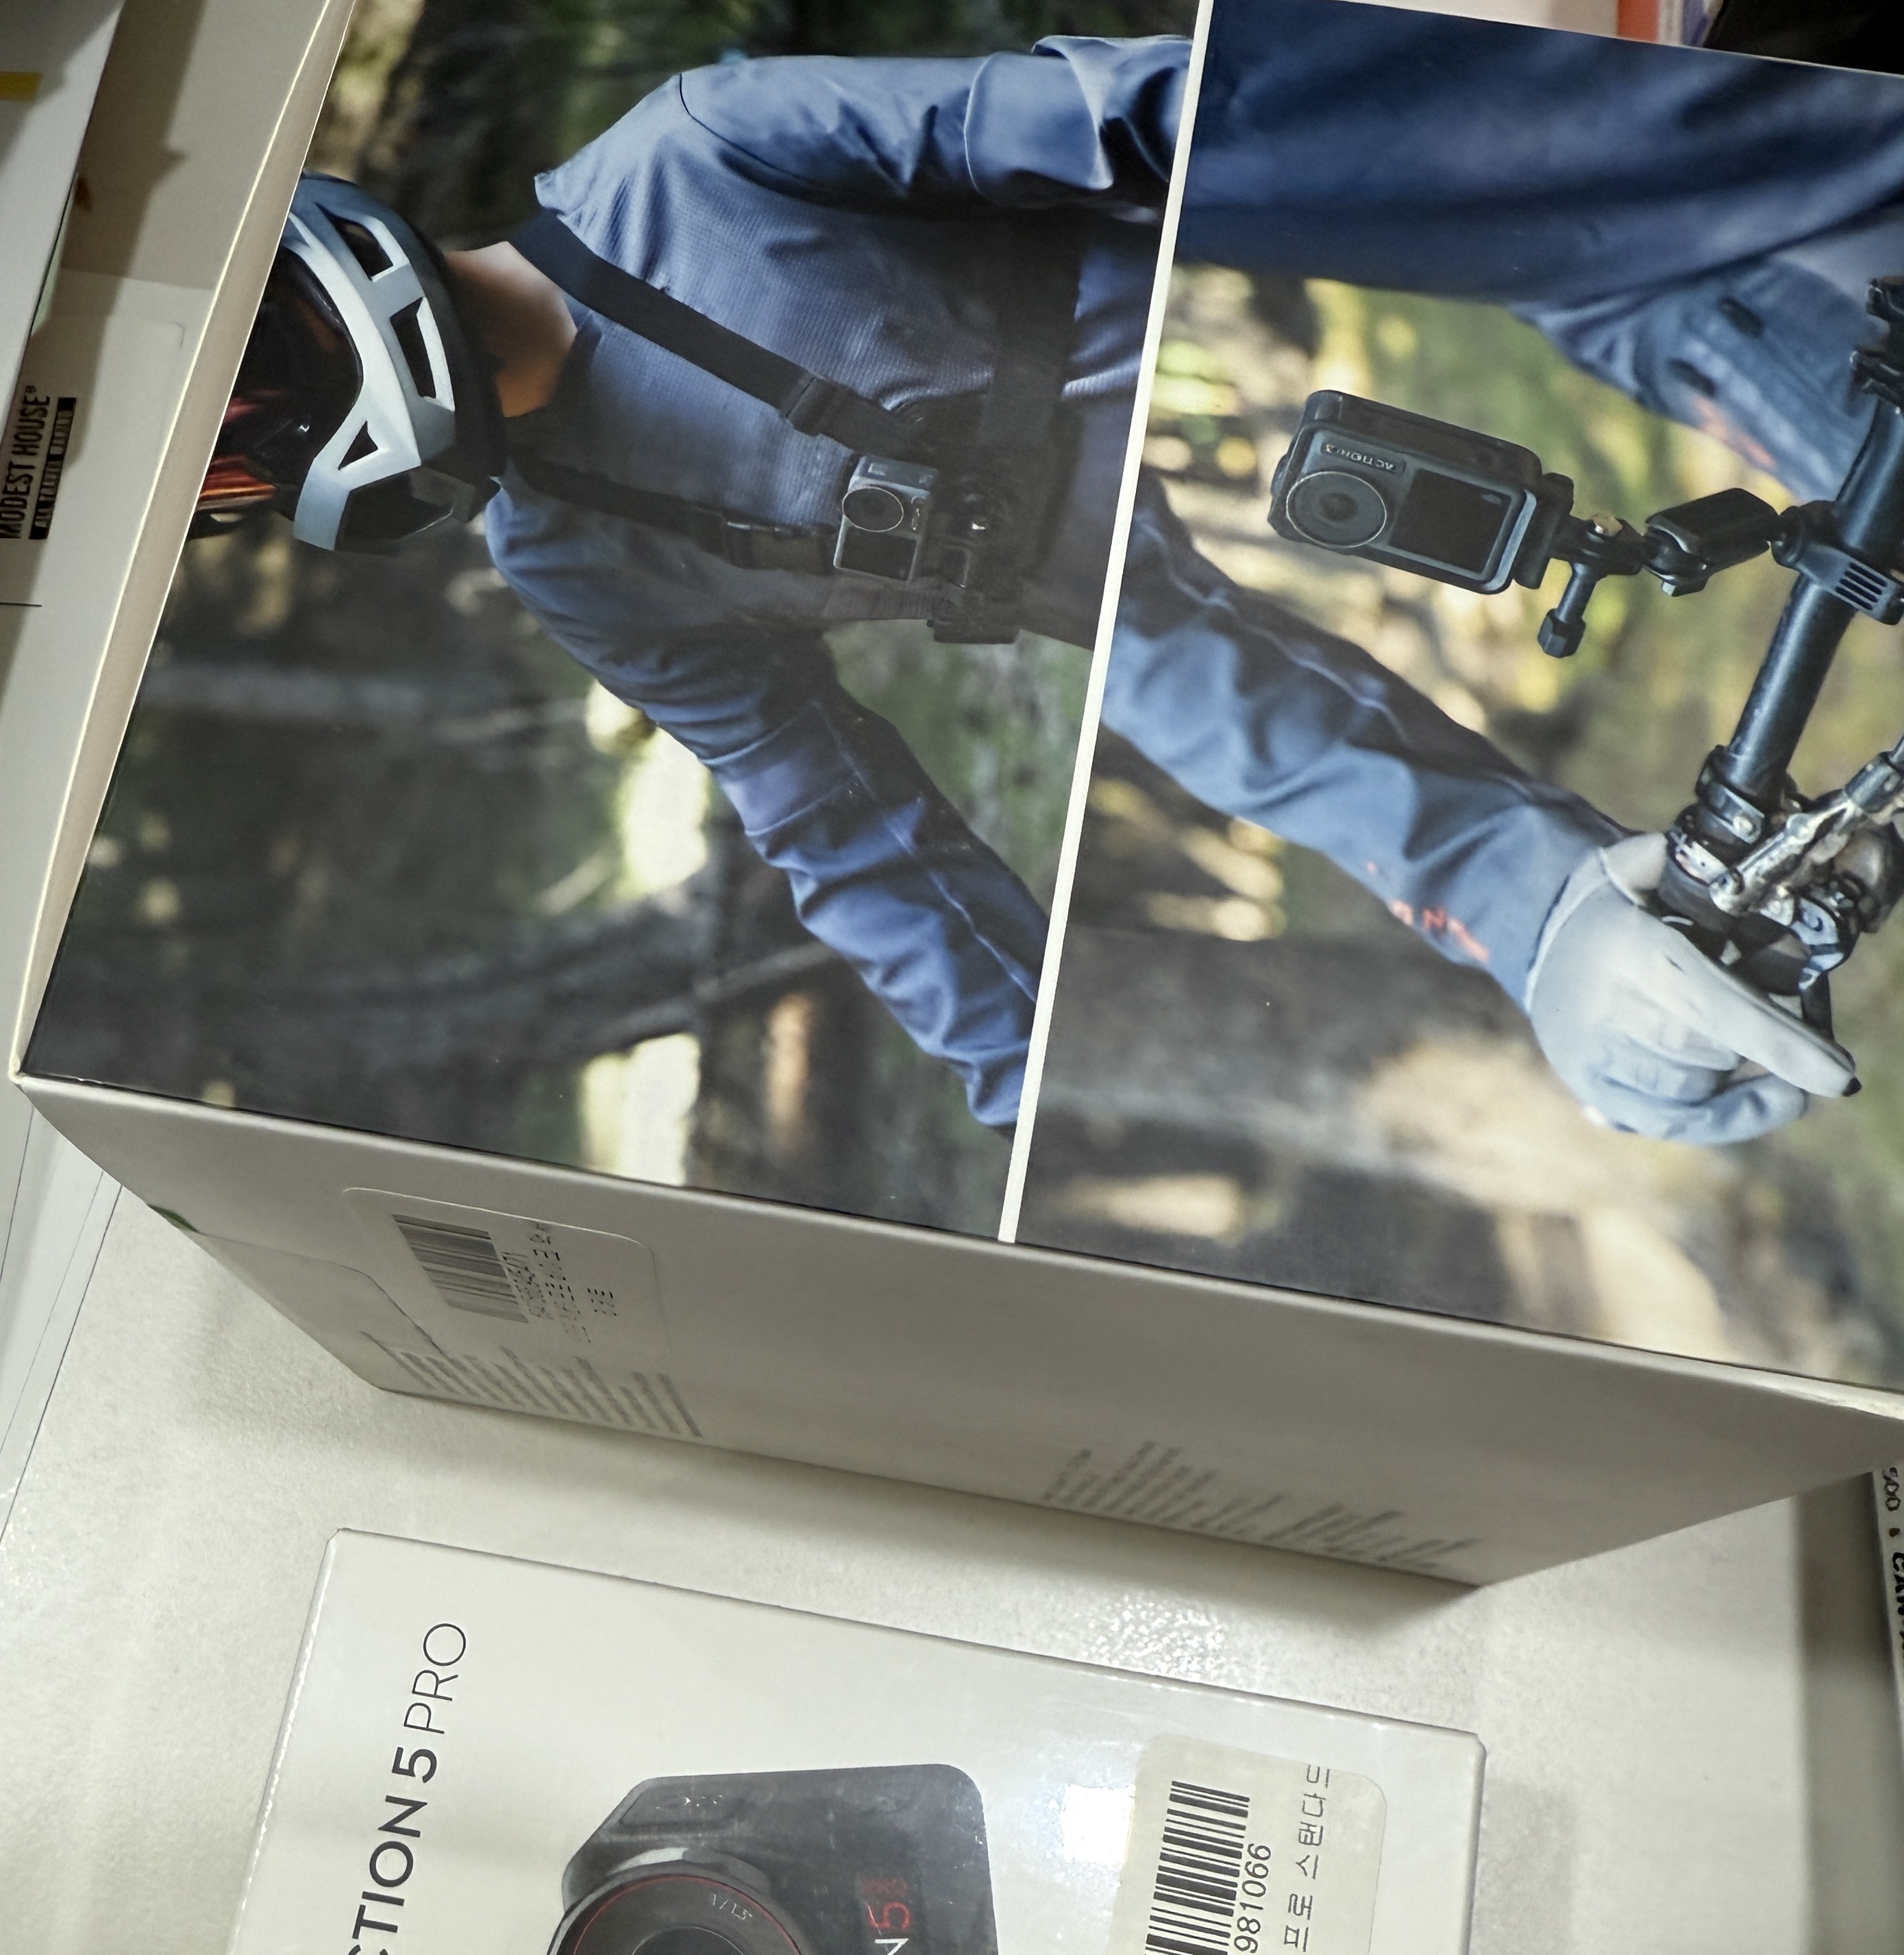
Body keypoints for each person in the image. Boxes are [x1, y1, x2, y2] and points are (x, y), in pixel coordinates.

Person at [201, 5, 1904, 1149]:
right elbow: (836, 826)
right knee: (1211, 712)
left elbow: (1155, 120)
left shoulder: (695, 154)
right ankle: (1577, 918)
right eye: (238, 479)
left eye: (253, 410)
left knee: (1660, 288)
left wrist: (1679, 158)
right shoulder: (573, 557)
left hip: (1338, 283)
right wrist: (1026, 1081)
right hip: (1113, 594)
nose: (279, 455)